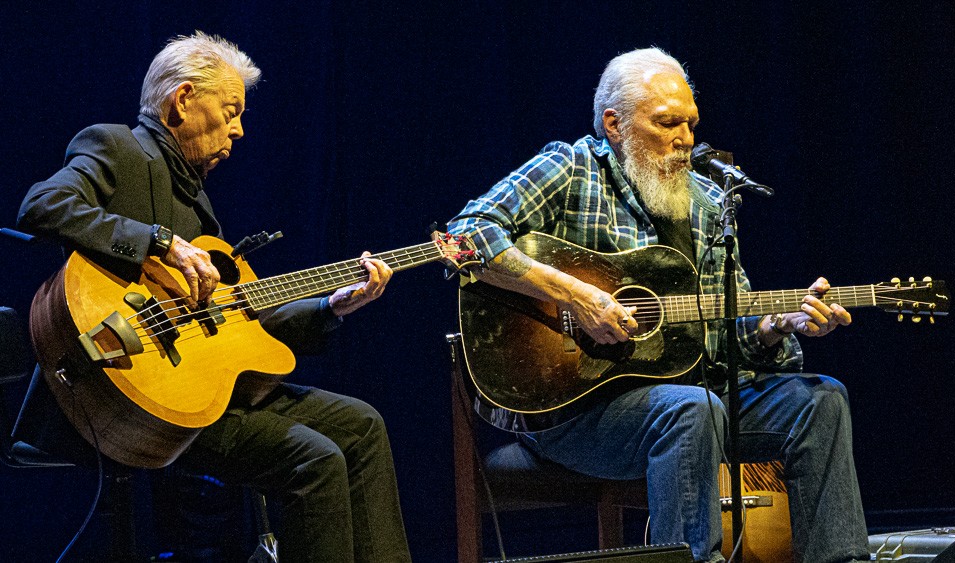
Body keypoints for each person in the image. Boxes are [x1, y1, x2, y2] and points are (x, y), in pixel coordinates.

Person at [447, 47, 869, 563]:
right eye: (667, 123)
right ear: (615, 125)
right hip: (574, 409)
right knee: (691, 408)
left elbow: (722, 338)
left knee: (820, 401)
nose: (685, 140)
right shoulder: (570, 168)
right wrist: (576, 295)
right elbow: (464, 237)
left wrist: (774, 326)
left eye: (691, 124)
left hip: (693, 397)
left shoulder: (708, 202)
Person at [15, 31, 411, 562]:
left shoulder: (198, 203)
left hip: (198, 392)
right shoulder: (117, 147)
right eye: (230, 112)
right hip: (120, 391)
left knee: (361, 425)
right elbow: (41, 205)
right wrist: (159, 243)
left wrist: (331, 305)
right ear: (182, 99)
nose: (239, 129)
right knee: (314, 461)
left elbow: (243, 326)